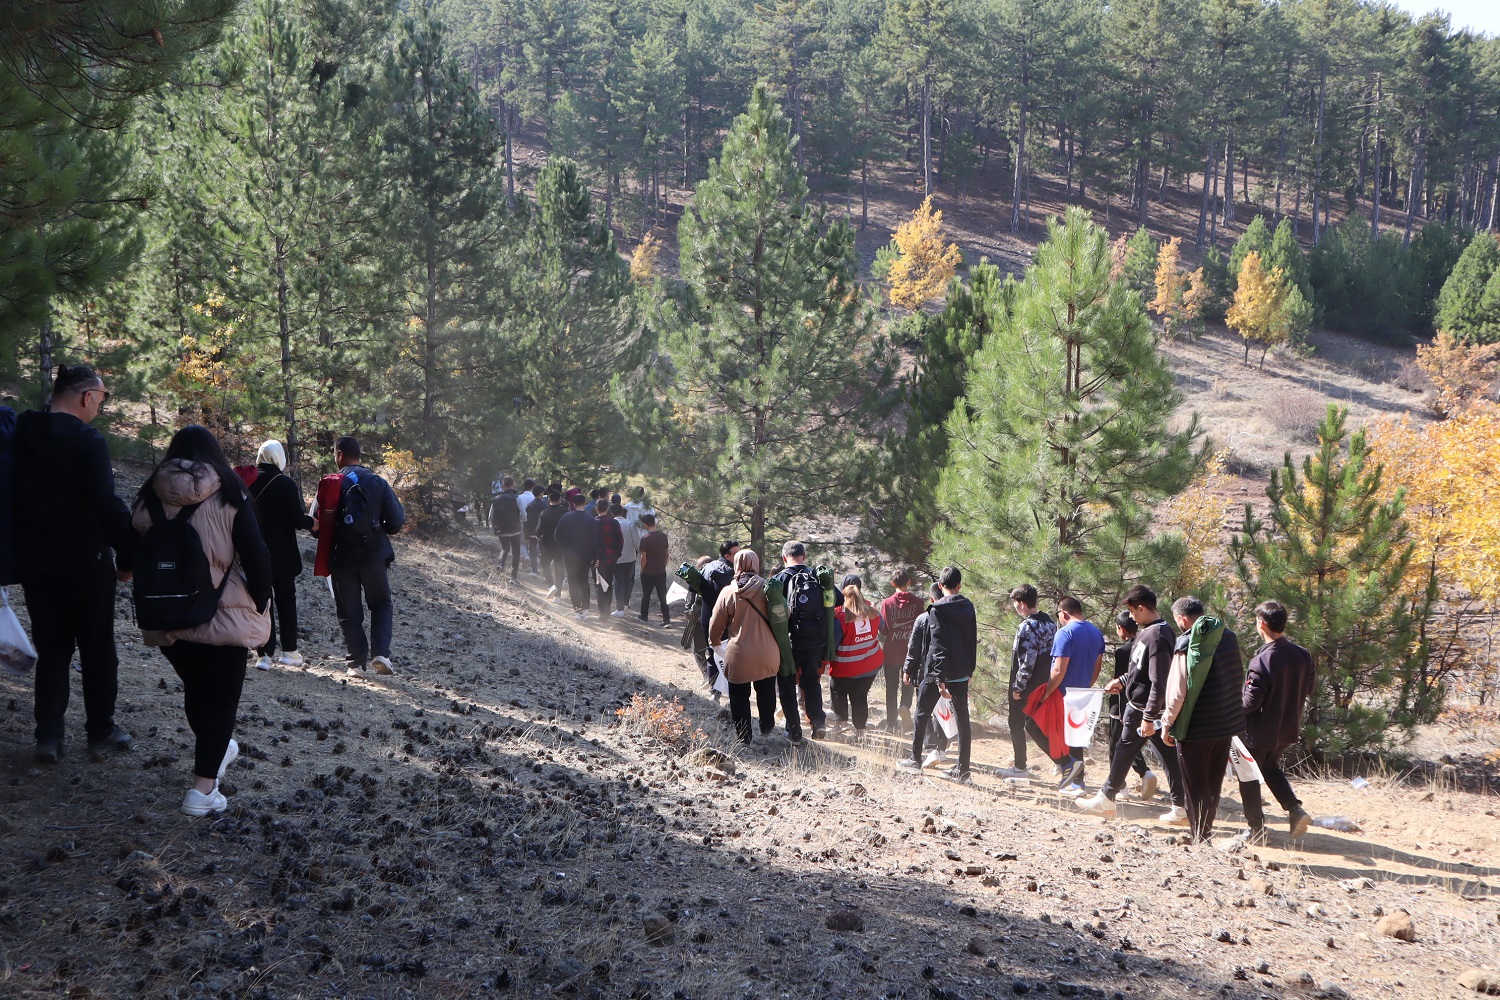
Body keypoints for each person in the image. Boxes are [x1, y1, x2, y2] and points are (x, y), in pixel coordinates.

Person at [131, 426, 272, 816]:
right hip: (221, 613)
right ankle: (202, 791)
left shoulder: (147, 496)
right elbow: (257, 556)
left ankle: (217, 750)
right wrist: (260, 601)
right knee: (222, 702)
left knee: (198, 691)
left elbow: (131, 557)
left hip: (164, 615)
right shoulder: (229, 493)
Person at [13, 364, 136, 762]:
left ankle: (48, 737)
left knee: (52, 649)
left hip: (36, 562)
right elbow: (106, 504)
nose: (99, 407)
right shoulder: (89, 442)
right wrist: (131, 552)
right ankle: (101, 729)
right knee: (97, 648)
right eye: (100, 399)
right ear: (87, 397)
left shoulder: (20, 433)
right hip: (86, 561)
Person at [1076, 585, 1188, 823]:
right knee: (1161, 757)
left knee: (1125, 752)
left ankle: (1106, 799)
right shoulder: (1148, 632)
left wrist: (1149, 717)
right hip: (1141, 709)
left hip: (1144, 711)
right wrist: (1122, 680)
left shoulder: (1158, 635)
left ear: (1141, 608)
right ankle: (1181, 807)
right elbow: (1141, 670)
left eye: (1133, 612)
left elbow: (1160, 679)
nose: (1132, 618)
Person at [1161, 596, 1246, 843]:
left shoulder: (1186, 642)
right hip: (1225, 723)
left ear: (1182, 619)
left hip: (1194, 728)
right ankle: (1206, 831)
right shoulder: (1228, 636)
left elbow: (1177, 692)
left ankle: (1200, 836)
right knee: (1212, 784)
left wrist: (1167, 723)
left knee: (1194, 786)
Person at [1234, 600, 1315, 844]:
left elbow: (1250, 704)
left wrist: (1227, 707)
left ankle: (1255, 830)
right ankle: (1294, 810)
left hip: (1258, 732)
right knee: (1269, 768)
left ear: (1262, 624)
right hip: (1287, 728)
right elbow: (1309, 688)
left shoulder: (1262, 660)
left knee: (1248, 777)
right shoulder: (1302, 654)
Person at [327, 437, 406, 675]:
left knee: (349, 611)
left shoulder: (331, 483)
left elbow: (316, 524)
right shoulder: (378, 482)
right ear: (358, 455)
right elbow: (396, 523)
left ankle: (356, 664)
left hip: (342, 557)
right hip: (373, 555)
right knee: (381, 603)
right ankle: (380, 653)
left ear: (339, 455)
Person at [898, 567, 977, 784]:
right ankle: (963, 770)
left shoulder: (937, 609)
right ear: (959, 586)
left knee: (922, 713)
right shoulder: (969, 607)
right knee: (963, 720)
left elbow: (938, 645)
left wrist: (940, 679)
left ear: (941, 586)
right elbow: (972, 641)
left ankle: (914, 759)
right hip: (962, 671)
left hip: (937, 673)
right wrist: (970, 669)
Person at [708, 549, 788, 745]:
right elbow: (785, 615)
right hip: (768, 653)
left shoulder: (729, 592)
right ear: (756, 564)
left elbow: (715, 624)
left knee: (739, 696)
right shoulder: (770, 589)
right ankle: (767, 724)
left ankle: (744, 736)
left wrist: (715, 644)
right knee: (766, 689)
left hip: (739, 654)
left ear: (736, 565)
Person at [248, 440, 314, 671]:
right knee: (286, 600)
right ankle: (289, 652)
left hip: (255, 553)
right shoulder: (285, 484)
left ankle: (263, 655)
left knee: (262, 602)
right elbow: (297, 519)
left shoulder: (247, 481)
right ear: (279, 457)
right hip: (283, 555)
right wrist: (312, 522)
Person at [1046, 597, 1106, 791]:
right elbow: (1097, 667)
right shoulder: (1096, 633)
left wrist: (1046, 693)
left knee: (1037, 727)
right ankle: (1078, 782)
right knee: (1076, 738)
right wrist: (1085, 686)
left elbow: (1058, 670)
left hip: (1062, 693)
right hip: (1082, 692)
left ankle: (1069, 770)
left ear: (1063, 612)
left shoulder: (1064, 633)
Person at [771, 541, 829, 740]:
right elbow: (837, 600)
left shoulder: (780, 579)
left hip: (789, 643)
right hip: (816, 641)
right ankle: (818, 722)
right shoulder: (818, 577)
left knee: (787, 683)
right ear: (804, 556)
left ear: (784, 557)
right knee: (811, 681)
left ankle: (794, 729)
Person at [1003, 584, 1058, 778]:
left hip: (1027, 686)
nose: (1015, 607)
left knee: (1016, 723)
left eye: (1015, 603)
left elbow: (1027, 661)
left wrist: (1018, 687)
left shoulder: (1026, 627)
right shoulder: (1051, 624)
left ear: (1022, 604)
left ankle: (1020, 767)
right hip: (1046, 683)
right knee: (1043, 725)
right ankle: (1060, 760)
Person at [1102, 612, 1157, 795]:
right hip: (1144, 705)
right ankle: (1145, 773)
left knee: (1115, 746)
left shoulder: (1123, 651)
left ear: (1121, 629)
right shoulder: (1145, 644)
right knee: (1130, 743)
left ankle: (1119, 787)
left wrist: (1118, 709)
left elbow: (1121, 683)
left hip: (1122, 706)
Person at [829, 581, 884, 738]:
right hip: (871, 666)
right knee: (860, 697)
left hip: (846, 667)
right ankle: (860, 731)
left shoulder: (841, 619)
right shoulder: (873, 613)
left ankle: (842, 723)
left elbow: (833, 643)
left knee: (837, 690)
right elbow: (883, 626)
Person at [878, 569, 924, 734]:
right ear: (909, 582)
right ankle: (905, 706)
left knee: (891, 688)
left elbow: (883, 630)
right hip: (910, 651)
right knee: (908, 683)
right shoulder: (919, 603)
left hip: (891, 651)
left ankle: (891, 724)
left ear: (892, 583)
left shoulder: (887, 603)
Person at [697, 541, 740, 689]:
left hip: (706, 617)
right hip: (727, 619)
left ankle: (714, 690)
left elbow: (692, 588)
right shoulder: (734, 572)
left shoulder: (706, 567)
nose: (739, 556)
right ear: (727, 555)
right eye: (736, 553)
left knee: (711, 652)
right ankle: (730, 689)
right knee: (729, 655)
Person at [553, 493, 597, 616]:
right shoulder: (590, 520)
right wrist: (595, 556)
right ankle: (586, 610)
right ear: (585, 503)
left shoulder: (566, 517)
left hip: (569, 555)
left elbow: (557, 535)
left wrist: (564, 548)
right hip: (585, 555)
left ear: (573, 503)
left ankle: (578, 611)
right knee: (584, 581)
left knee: (572, 581)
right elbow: (595, 540)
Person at [636, 513, 671, 626]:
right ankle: (666, 619)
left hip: (648, 572)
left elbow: (643, 558)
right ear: (654, 523)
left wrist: (642, 570)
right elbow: (666, 554)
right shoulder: (663, 536)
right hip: (661, 571)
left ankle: (644, 616)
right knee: (662, 595)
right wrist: (664, 565)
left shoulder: (645, 539)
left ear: (645, 525)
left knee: (646, 595)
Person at [592, 499, 624, 616]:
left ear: (596, 509)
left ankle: (603, 612)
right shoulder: (614, 523)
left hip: (597, 560)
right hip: (611, 559)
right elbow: (620, 541)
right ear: (607, 509)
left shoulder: (593, 523)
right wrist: (617, 555)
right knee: (608, 584)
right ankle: (607, 610)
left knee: (598, 585)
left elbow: (590, 543)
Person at [490, 476, 524, 583]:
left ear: (503, 486)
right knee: (516, 552)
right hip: (515, 530)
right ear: (512, 485)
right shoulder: (517, 498)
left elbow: (490, 516)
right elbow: (524, 514)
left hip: (502, 530)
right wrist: (522, 520)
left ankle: (500, 564)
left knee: (505, 548)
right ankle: (513, 576)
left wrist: (494, 525)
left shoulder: (495, 499)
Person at [535, 488, 567, 599]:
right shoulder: (565, 512)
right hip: (561, 544)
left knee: (544, 565)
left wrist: (538, 537)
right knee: (559, 567)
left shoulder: (544, 512)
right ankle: (557, 596)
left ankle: (551, 585)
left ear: (549, 499)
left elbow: (538, 530)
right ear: (560, 499)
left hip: (546, 544)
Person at [611, 503, 640, 617]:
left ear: (612, 513)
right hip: (630, 558)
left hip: (616, 558)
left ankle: (620, 608)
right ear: (623, 512)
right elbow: (637, 543)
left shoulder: (612, 524)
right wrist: (640, 553)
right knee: (628, 581)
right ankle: (626, 602)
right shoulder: (630, 524)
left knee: (618, 582)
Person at [517, 478, 538, 574]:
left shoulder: (519, 497)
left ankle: (525, 556)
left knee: (522, 542)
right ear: (533, 487)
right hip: (534, 523)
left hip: (521, 521)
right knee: (533, 544)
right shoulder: (535, 498)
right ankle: (534, 564)